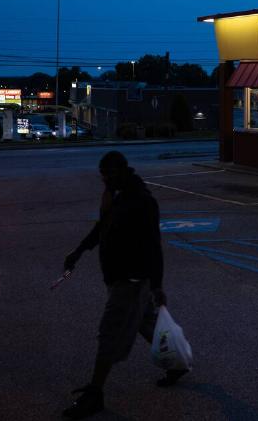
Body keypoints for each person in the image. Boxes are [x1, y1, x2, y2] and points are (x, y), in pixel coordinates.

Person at [61, 150, 188, 419]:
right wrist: (79, 251)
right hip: (120, 276)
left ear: (119, 172)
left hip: (131, 280)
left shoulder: (141, 201)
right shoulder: (118, 196)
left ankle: (95, 394)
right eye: (102, 178)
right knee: (142, 320)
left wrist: (157, 285)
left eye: (107, 177)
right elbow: (102, 227)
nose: (104, 182)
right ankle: (176, 364)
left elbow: (154, 246)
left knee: (109, 333)